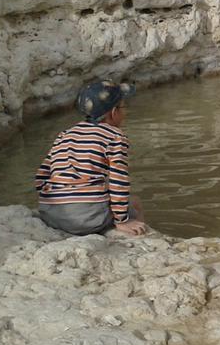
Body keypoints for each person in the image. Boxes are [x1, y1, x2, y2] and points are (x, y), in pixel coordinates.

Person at [35, 80, 148, 236]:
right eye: (124, 107)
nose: (125, 112)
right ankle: (140, 237)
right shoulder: (115, 136)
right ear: (114, 112)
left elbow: (41, 176)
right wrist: (122, 220)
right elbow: (118, 182)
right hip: (87, 219)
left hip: (51, 214)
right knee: (135, 202)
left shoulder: (64, 135)